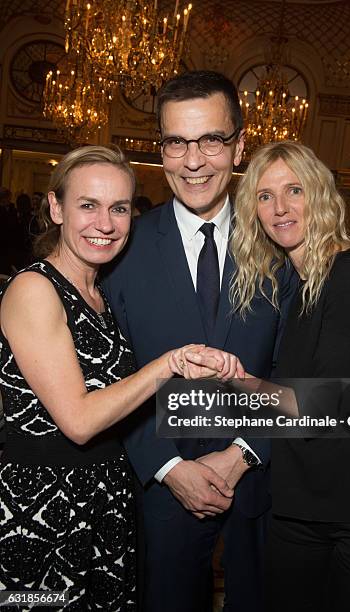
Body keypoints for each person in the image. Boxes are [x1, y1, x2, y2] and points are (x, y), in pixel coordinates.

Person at [0, 145, 241, 609]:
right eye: (87, 205)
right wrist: (168, 365)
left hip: (106, 501)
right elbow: (80, 420)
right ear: (56, 207)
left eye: (119, 208)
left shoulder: (99, 293)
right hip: (43, 510)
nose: (105, 224)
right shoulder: (34, 288)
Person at [103, 71, 296, 612]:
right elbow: (110, 377)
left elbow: (295, 371)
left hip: (262, 489)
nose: (193, 161)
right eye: (176, 142)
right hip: (161, 495)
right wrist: (169, 468)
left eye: (211, 140)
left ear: (238, 145)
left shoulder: (281, 245)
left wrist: (243, 454)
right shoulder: (122, 248)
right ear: (160, 148)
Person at [230, 141, 350, 612]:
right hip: (304, 505)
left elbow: (322, 406)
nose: (280, 207)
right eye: (265, 196)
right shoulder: (303, 282)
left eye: (294, 190)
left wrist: (236, 383)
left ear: (321, 195)